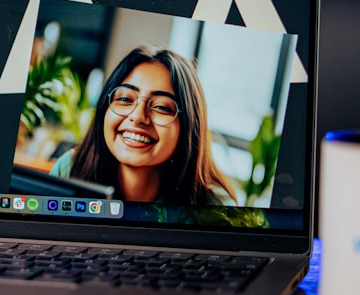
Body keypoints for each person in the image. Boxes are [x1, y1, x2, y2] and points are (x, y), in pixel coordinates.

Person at [50, 46, 237, 205]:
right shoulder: (70, 169)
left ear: (188, 127)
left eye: (162, 107)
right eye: (124, 98)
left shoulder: (217, 209)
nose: (138, 116)